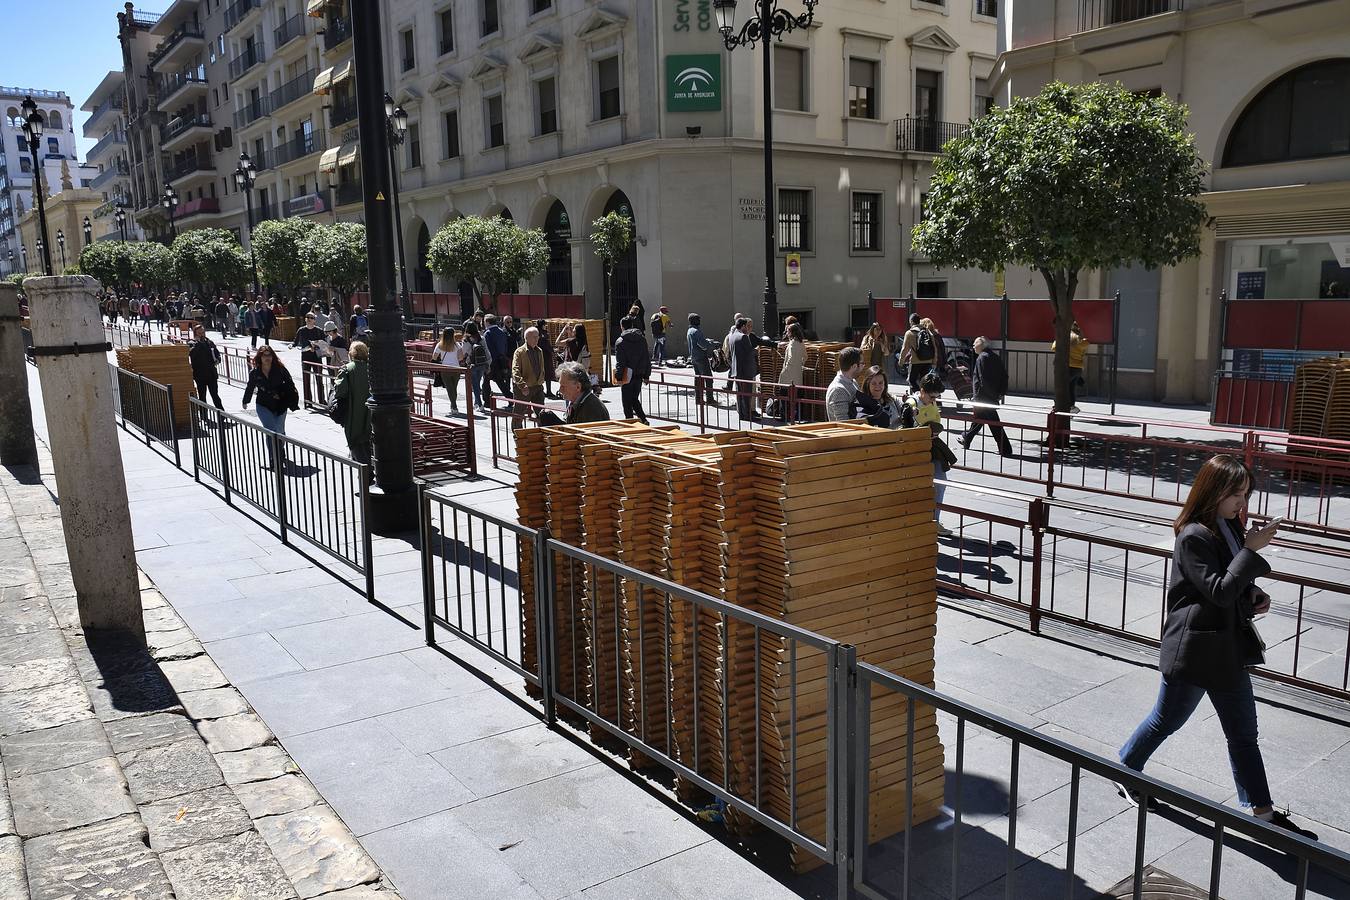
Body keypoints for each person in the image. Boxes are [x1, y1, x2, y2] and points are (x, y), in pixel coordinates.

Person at [1116, 455, 1317, 840]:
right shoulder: (1193, 534)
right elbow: (1219, 590)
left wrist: (1255, 592)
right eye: (1236, 495)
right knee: (1166, 721)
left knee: (1243, 734)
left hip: (1227, 652)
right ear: (1214, 491)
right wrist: (1252, 551)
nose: (1242, 504)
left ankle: (1263, 813)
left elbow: (1233, 585)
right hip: (1194, 652)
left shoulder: (1228, 527)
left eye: (1246, 494)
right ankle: (1126, 767)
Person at [901, 371, 956, 536]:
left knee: (940, 482)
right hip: (915, 451)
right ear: (922, 390)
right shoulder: (912, 404)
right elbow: (905, 427)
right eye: (932, 397)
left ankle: (934, 521)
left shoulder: (931, 403)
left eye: (936, 397)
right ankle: (918, 521)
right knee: (919, 486)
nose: (934, 400)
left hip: (932, 448)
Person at [242, 344, 299, 468]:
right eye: (264, 355)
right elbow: (250, 387)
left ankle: (280, 449)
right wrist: (245, 401)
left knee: (280, 431)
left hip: (280, 404)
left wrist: (291, 399)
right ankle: (274, 459)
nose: (267, 358)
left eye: (269, 355)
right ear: (260, 357)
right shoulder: (255, 372)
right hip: (263, 405)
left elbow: (290, 384)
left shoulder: (280, 369)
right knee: (270, 431)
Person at [959, 336, 1014, 457]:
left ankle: (1006, 448)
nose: (973, 345)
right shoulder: (994, 357)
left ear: (982, 345)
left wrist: (984, 397)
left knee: (994, 424)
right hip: (989, 396)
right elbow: (1004, 376)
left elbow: (982, 380)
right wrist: (1000, 393)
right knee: (979, 420)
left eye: (975, 343)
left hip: (983, 397)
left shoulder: (982, 358)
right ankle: (967, 438)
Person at [728, 317, 774, 421]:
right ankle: (748, 415)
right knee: (747, 395)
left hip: (736, 370)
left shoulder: (732, 336)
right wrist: (756, 350)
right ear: (743, 326)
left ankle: (742, 415)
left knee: (740, 394)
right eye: (746, 326)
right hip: (746, 370)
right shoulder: (743, 337)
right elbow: (750, 352)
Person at [537, 361, 609, 427]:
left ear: (578, 387)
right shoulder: (576, 402)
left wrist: (556, 423)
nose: (560, 390)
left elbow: (584, 437)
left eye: (563, 386)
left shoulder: (591, 408)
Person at [334, 341, 372, 463]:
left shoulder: (347, 369)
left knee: (355, 440)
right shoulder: (372, 369)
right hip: (371, 412)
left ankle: (364, 469)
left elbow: (340, 392)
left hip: (353, 412)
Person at [613, 315, 651, 424]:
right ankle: (642, 420)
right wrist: (647, 375)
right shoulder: (642, 339)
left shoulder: (620, 341)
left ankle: (631, 422)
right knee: (634, 398)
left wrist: (618, 376)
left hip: (626, 375)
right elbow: (646, 357)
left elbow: (620, 361)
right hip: (639, 374)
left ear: (622, 327)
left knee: (627, 401)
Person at [511, 326, 547, 425]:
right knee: (518, 414)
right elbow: (515, 370)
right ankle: (517, 435)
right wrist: (522, 385)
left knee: (542, 414)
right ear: (527, 338)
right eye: (534, 337)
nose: (537, 339)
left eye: (538, 336)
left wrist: (541, 380)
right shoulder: (520, 351)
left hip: (537, 387)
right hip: (523, 388)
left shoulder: (539, 350)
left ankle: (542, 434)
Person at [1052, 321, 1091, 414]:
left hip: (1066, 367)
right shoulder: (1082, 339)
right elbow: (1086, 345)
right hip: (1078, 368)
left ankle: (1059, 406)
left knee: (1061, 387)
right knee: (1071, 388)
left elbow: (1054, 347)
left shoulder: (1064, 336)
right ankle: (1071, 406)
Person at [898, 314, 940, 394]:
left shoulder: (909, 333)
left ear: (911, 322)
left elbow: (904, 349)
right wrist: (934, 361)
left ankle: (918, 396)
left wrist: (901, 361)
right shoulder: (928, 332)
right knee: (924, 382)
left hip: (915, 362)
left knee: (911, 380)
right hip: (927, 361)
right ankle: (925, 398)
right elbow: (934, 348)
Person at [292, 312, 328, 405]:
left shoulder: (319, 330)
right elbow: (295, 342)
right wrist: (291, 345)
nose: (309, 319)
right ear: (305, 319)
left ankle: (321, 400)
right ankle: (308, 401)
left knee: (319, 379)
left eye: (311, 317)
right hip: (305, 357)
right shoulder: (301, 330)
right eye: (307, 317)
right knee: (306, 379)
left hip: (316, 357)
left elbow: (323, 343)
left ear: (314, 320)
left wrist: (315, 347)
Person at [187, 323, 224, 410]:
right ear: (195, 334)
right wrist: (198, 343)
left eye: (203, 332)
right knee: (202, 396)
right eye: (199, 333)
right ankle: (204, 415)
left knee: (215, 395)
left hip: (211, 374)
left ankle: (222, 415)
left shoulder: (209, 342)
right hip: (200, 374)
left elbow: (216, 353)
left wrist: (218, 359)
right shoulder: (192, 343)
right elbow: (191, 353)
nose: (202, 335)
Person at [431, 328, 465, 413]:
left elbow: (434, 357)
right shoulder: (457, 345)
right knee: (454, 388)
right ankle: (453, 405)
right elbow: (461, 358)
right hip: (456, 369)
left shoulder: (440, 345)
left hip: (445, 369)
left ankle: (454, 406)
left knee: (450, 388)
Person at [686, 314, 716, 406]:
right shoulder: (696, 331)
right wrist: (712, 345)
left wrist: (707, 341)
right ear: (695, 321)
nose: (700, 321)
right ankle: (709, 399)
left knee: (698, 379)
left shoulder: (690, 331)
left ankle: (698, 399)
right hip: (701, 358)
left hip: (694, 357)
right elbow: (702, 345)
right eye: (698, 319)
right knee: (708, 379)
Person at [826, 347, 863, 421]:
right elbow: (843, 423)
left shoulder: (852, 381)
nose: (863, 366)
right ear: (854, 366)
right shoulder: (838, 390)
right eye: (862, 363)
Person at [779, 322, 806, 421]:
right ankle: (798, 416)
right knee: (798, 395)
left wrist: (785, 370)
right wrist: (800, 365)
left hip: (788, 374)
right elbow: (805, 356)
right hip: (798, 374)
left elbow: (790, 359)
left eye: (788, 331)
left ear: (792, 332)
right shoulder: (801, 342)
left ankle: (784, 416)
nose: (786, 332)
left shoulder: (792, 344)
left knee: (783, 394)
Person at [482, 314, 513, 404]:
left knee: (486, 381)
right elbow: (505, 346)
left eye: (484, 322)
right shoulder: (501, 332)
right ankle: (510, 398)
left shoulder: (487, 333)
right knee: (500, 381)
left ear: (487, 322)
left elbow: (486, 348)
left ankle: (487, 401)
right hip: (501, 360)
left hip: (491, 361)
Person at [462, 319, 490, 411]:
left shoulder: (466, 340)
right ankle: (476, 403)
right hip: (482, 363)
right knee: (477, 383)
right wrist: (488, 363)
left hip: (472, 364)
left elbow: (464, 352)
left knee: (475, 385)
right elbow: (486, 351)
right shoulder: (481, 338)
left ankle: (480, 405)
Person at [535, 319, 557, 398]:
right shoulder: (541, 333)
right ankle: (546, 391)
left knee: (544, 374)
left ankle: (546, 391)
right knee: (546, 373)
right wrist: (551, 350)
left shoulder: (537, 332)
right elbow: (545, 344)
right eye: (545, 325)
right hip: (544, 356)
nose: (546, 326)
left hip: (542, 355)